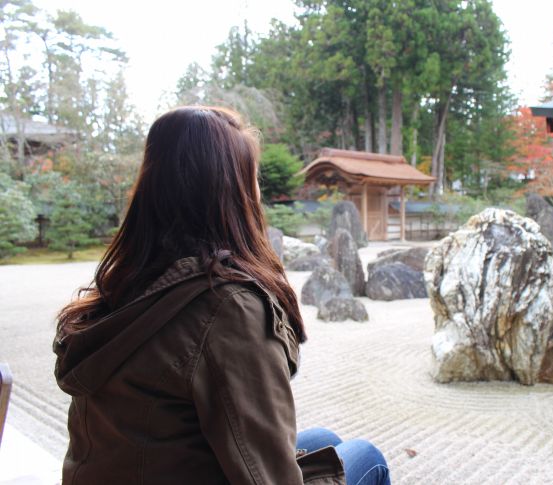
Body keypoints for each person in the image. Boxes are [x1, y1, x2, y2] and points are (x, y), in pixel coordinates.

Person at [53, 106, 390, 485]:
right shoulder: (228, 308)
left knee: (325, 441)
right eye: (252, 177)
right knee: (368, 457)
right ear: (233, 192)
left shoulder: (126, 282)